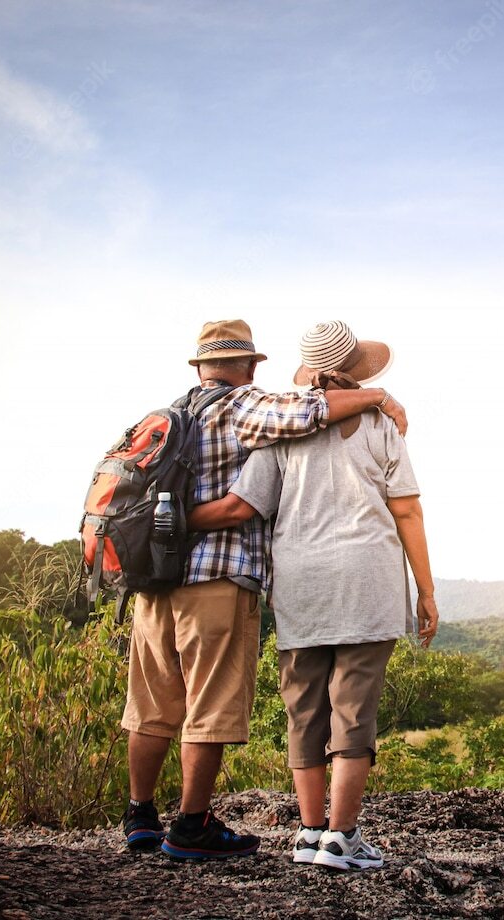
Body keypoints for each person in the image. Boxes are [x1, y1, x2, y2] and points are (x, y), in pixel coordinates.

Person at [119, 319, 408, 860]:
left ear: (199, 366)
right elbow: (309, 413)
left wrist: (161, 525)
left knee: (152, 705)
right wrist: (380, 396)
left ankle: (140, 818)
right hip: (213, 578)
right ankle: (191, 825)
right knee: (209, 706)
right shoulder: (243, 406)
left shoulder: (171, 414)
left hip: (153, 580)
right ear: (249, 365)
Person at [188, 320, 438, 871]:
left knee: (304, 711)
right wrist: (426, 590)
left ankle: (308, 834)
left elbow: (244, 505)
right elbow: (407, 510)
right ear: (359, 369)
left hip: (300, 585)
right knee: (354, 709)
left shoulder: (283, 432)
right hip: (366, 579)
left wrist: (166, 523)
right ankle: (342, 839)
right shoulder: (380, 424)